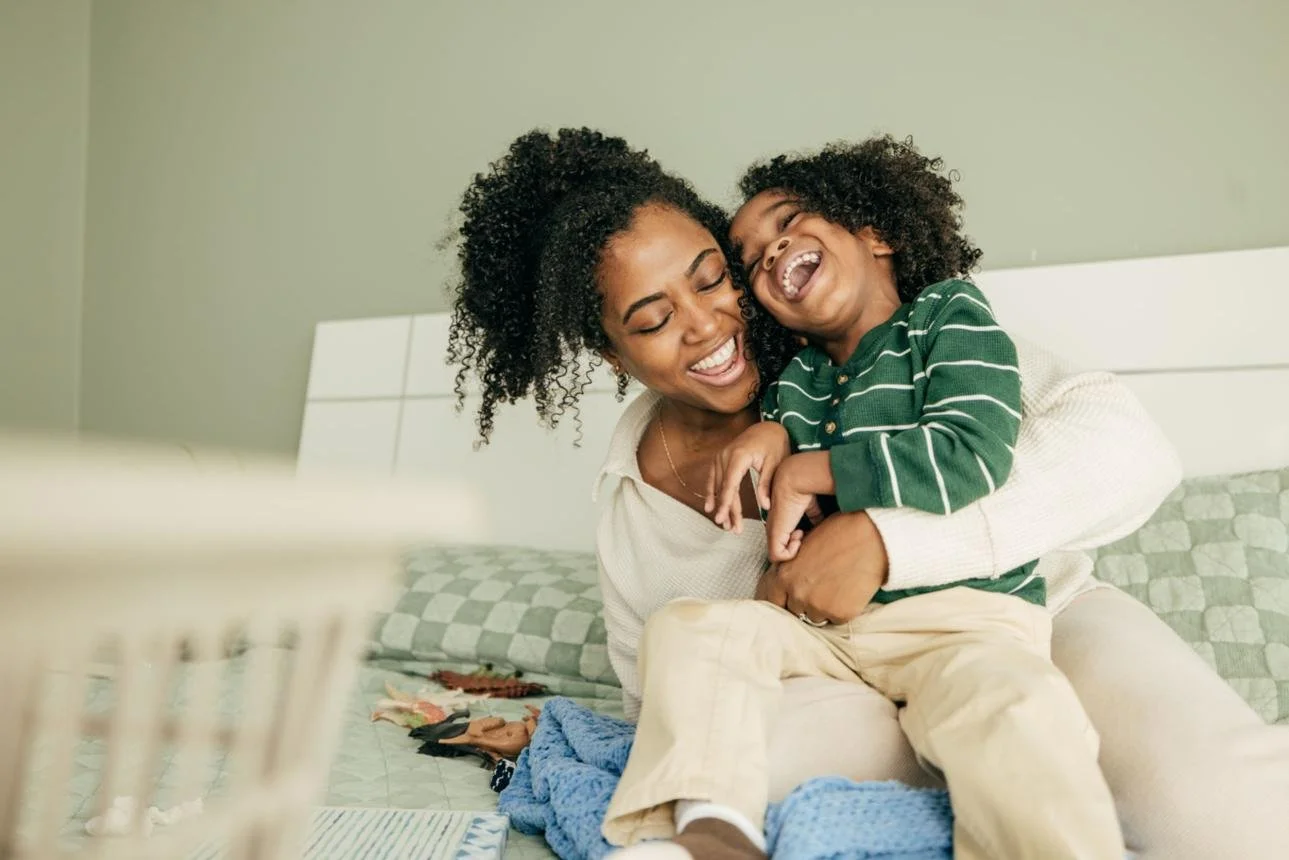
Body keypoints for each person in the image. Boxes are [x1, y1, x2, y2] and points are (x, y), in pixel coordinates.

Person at [447, 127, 1289, 860]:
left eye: (712, 278)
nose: (704, 325)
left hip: (1024, 612)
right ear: (612, 354)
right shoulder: (631, 502)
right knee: (742, 754)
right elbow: (669, 699)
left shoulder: (864, 333)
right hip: (833, 680)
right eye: (650, 319)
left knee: (1239, 822)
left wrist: (888, 543)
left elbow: (1128, 449)